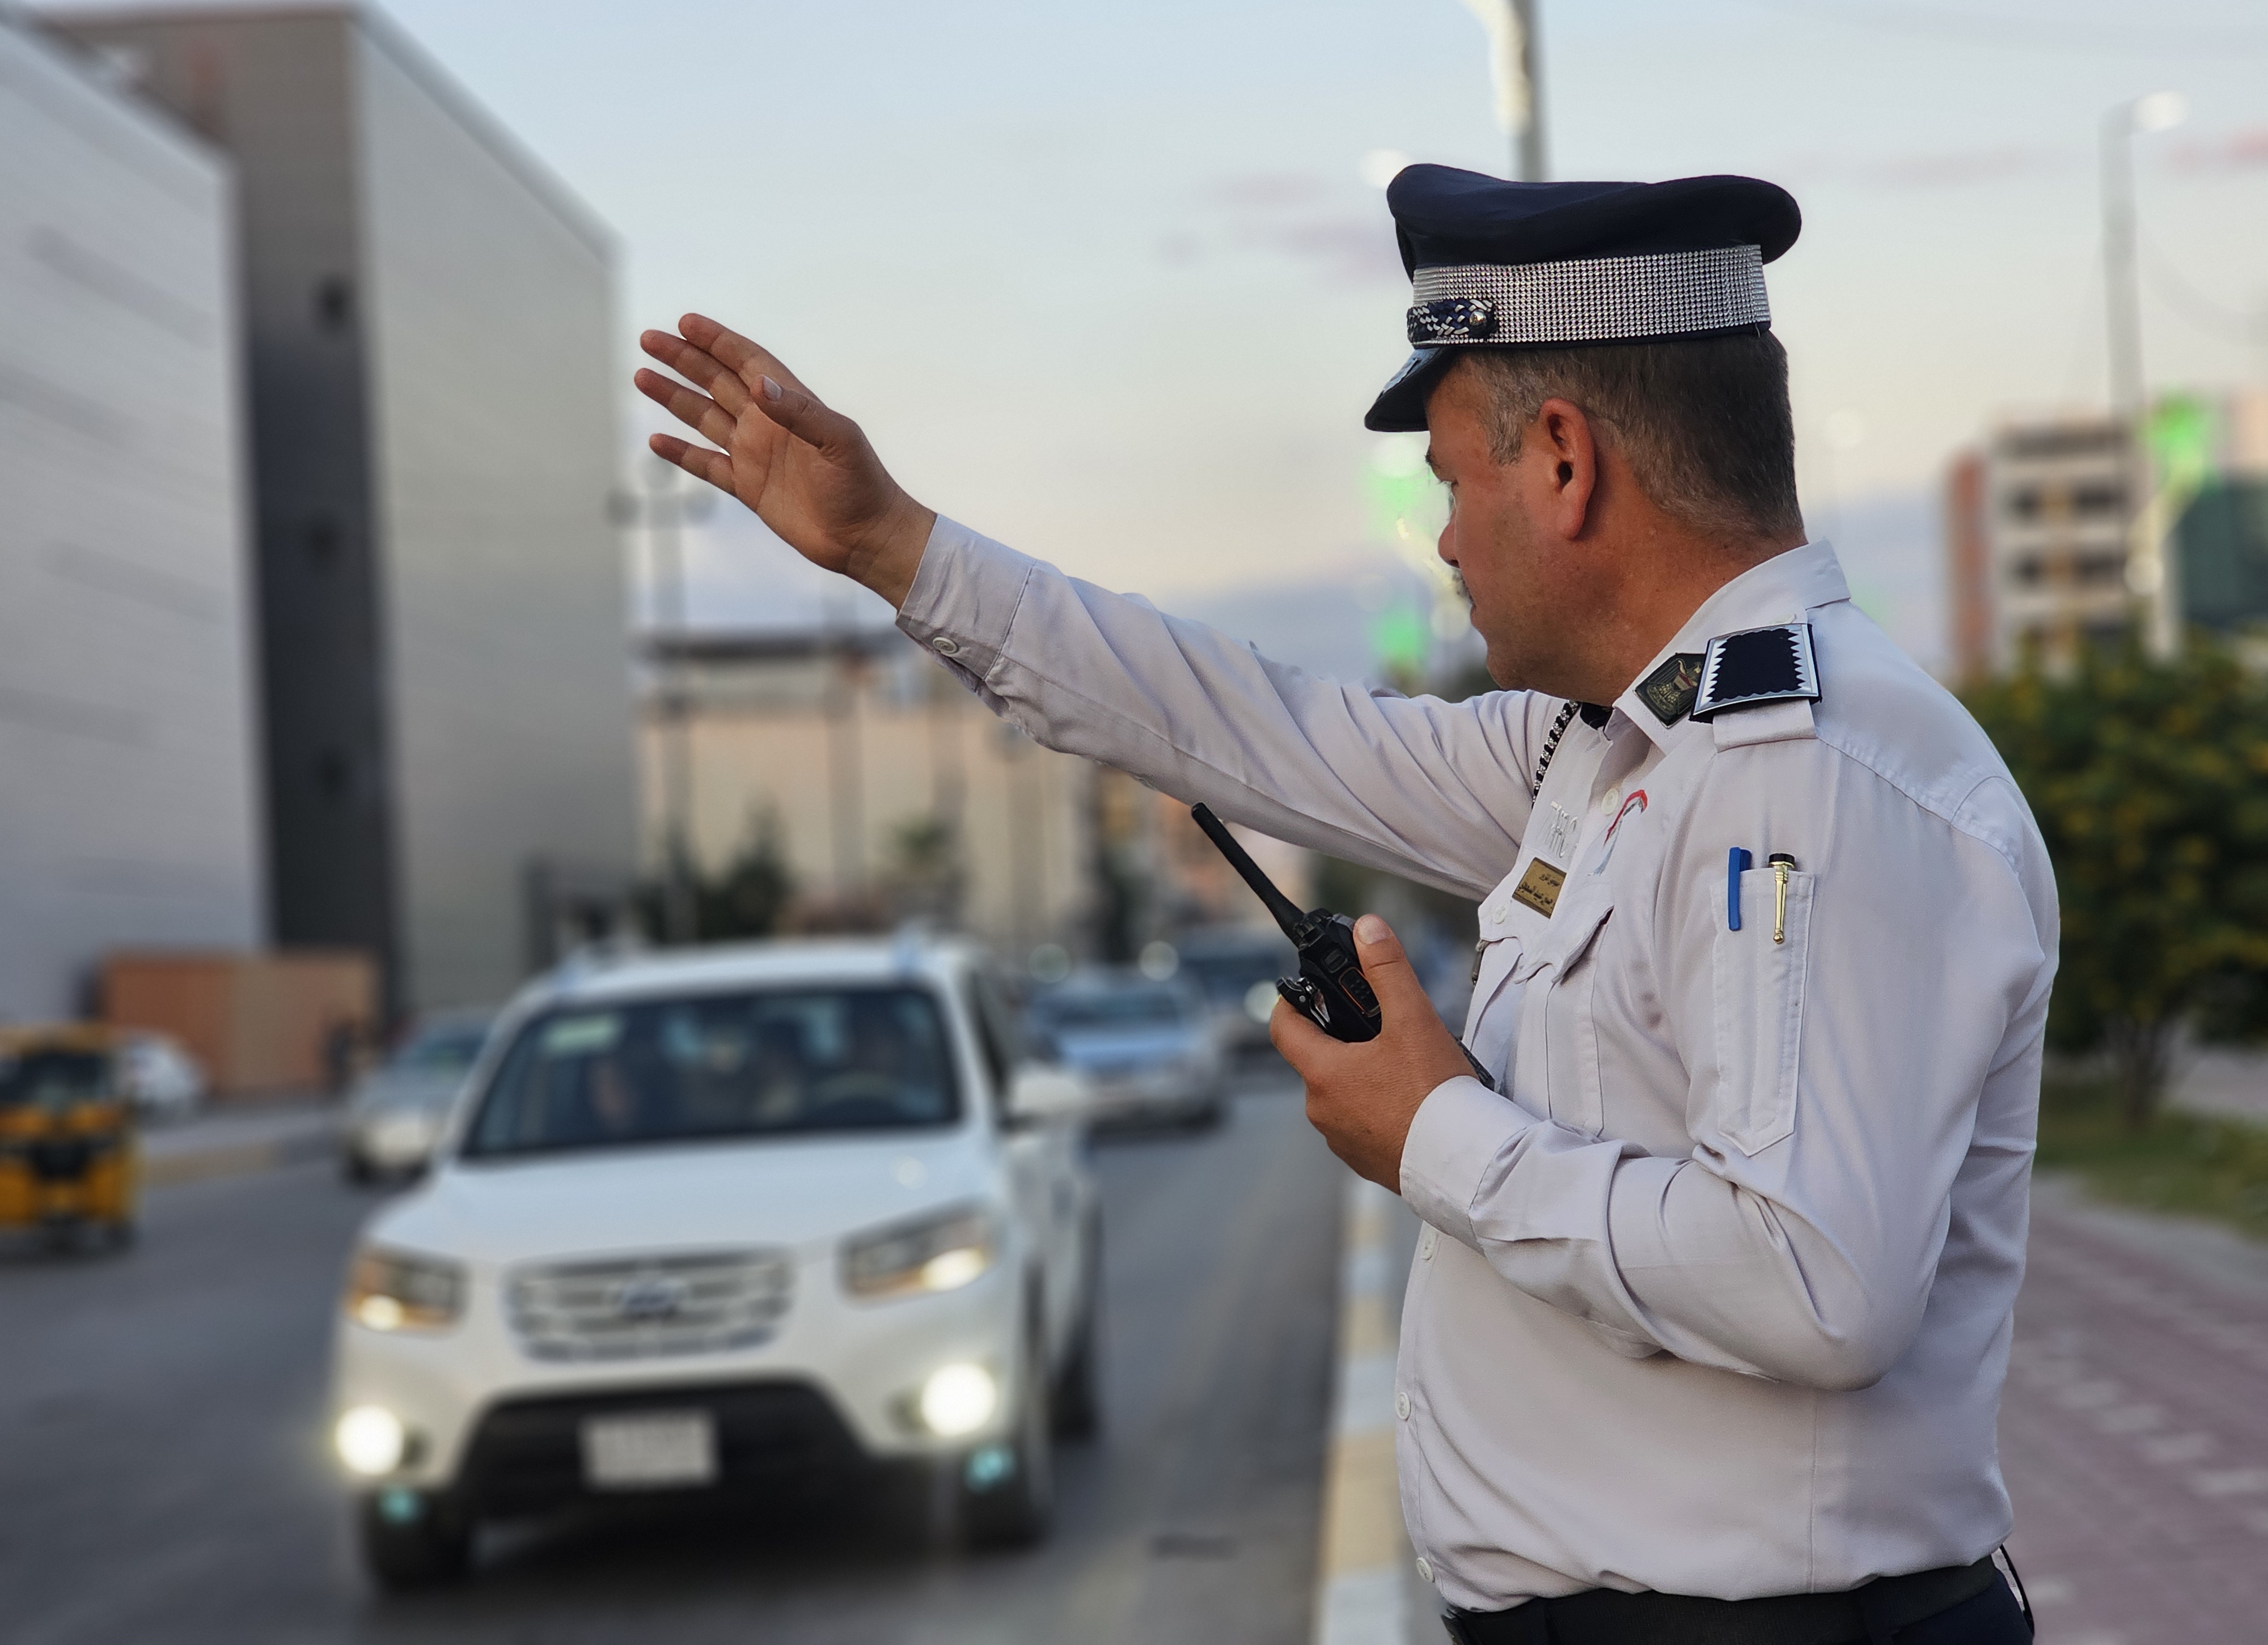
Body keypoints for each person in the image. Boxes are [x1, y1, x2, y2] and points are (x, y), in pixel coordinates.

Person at [633, 165, 2050, 1643]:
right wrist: (896, 547)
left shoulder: (1810, 777)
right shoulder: (1624, 745)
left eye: (1450, 482)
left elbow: (1815, 1283)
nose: (1442, 544)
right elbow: (1269, 736)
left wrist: (1435, 1132)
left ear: (1563, 461)